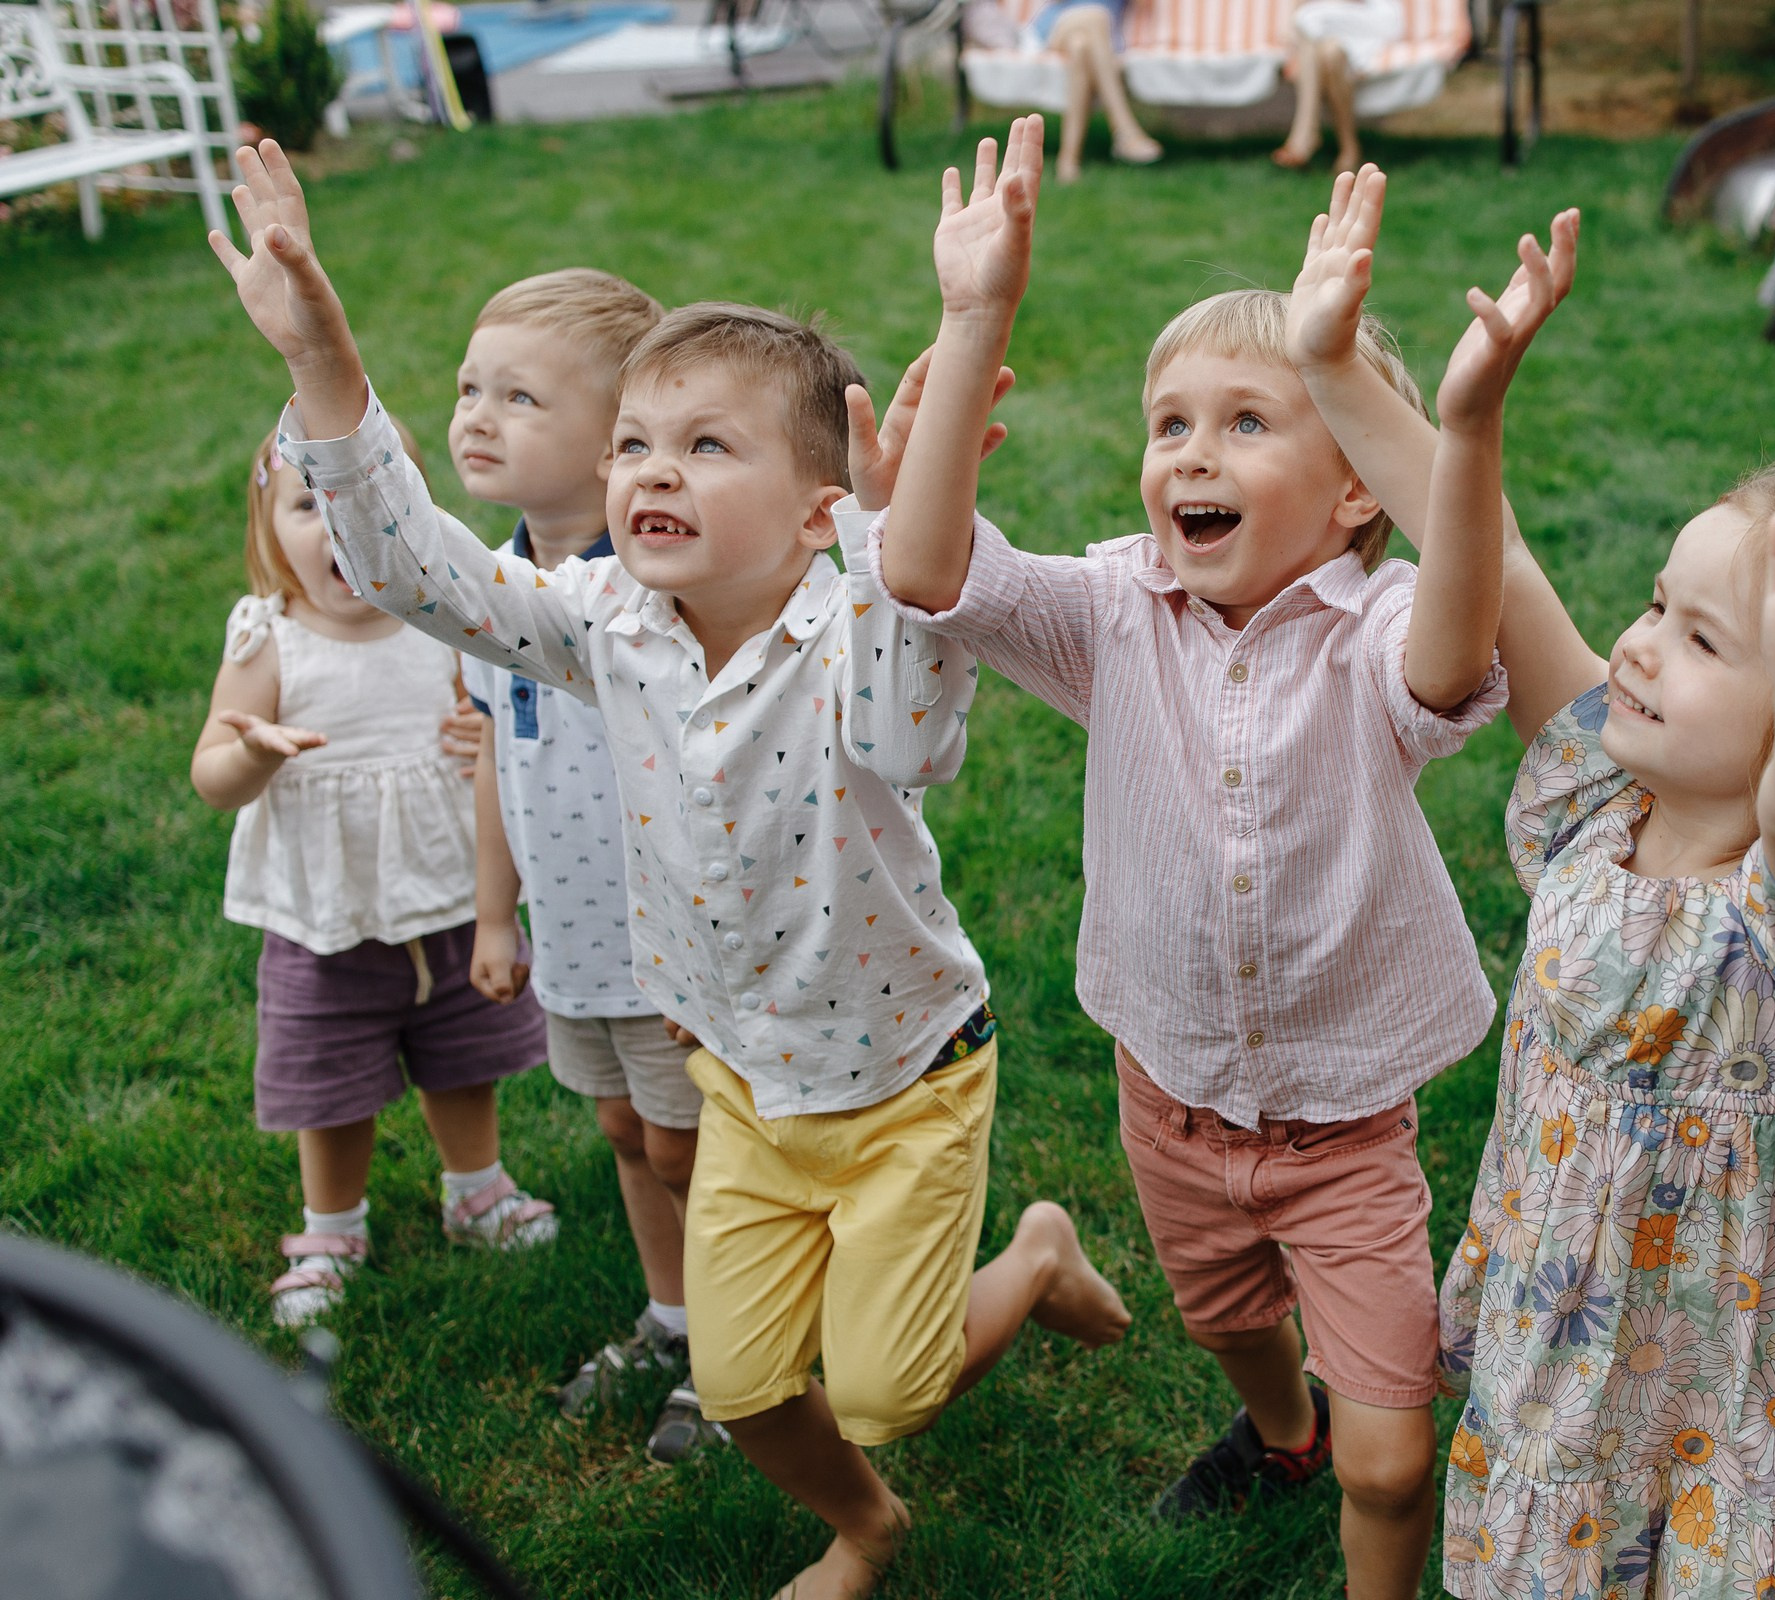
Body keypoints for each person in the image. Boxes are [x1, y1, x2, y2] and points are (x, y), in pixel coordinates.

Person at [209, 141, 1131, 1600]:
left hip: (902, 1081)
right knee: (745, 1377)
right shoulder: (600, 622)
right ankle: (871, 1529)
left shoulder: (857, 633)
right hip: (744, 1083)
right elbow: (417, 573)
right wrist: (322, 349)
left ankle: (1032, 1256)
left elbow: (917, 693)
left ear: (820, 508)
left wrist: (961, 350)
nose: (653, 470)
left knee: (888, 1389)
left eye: (709, 447)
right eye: (636, 441)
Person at [1294, 165, 1775, 1600]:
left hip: (1727, 1398)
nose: (1637, 646)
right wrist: (1406, 392)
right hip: (1564, 1343)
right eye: (1655, 606)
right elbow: (1490, 560)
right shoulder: (1603, 796)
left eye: (1703, 643)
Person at [870, 118, 1573, 1600]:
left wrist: (1416, 410)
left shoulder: (1380, 623)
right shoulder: (1113, 610)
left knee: (1400, 1466)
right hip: (1170, 1089)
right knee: (1227, 1313)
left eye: (1250, 422)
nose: (1192, 451)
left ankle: (1350, 1476)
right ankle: (1279, 1429)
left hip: (1344, 1128)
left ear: (1357, 492)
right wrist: (973, 310)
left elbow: (1457, 651)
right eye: (1170, 421)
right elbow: (926, 569)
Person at [439, 267, 721, 1463]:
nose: (475, 416)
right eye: (468, 387)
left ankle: (732, 1354)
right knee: (618, 1124)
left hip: (674, 940)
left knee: (688, 1141)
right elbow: (497, 761)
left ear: (616, 442)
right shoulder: (492, 590)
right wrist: (495, 918)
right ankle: (671, 1318)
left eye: (519, 397)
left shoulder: (663, 591)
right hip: (573, 929)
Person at [191, 420, 558, 1330]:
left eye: (356, 506)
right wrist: (255, 755)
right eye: (306, 507)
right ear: (270, 532)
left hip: (446, 896)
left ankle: (475, 1187)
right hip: (327, 915)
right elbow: (211, 775)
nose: (331, 526)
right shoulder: (267, 640)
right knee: (330, 1080)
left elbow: (491, 729)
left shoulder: (439, 627)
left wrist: (483, 736)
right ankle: (331, 1228)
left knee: (462, 1059)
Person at [1027, 0, 1163, 182]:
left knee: (1080, 48)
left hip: (1102, 39)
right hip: (1058, 25)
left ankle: (1068, 161)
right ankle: (1124, 129)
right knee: (1096, 16)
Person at [1271, 0, 1404, 174]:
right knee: (1331, 54)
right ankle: (1349, 149)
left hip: (1374, 18)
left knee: (1307, 19)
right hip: (1340, 27)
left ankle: (1306, 133)